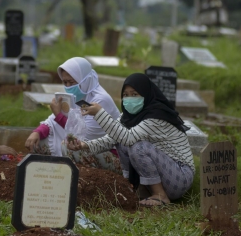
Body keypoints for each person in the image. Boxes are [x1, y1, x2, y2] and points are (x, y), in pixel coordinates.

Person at [67, 73, 195, 207]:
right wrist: (83, 145)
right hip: (165, 173)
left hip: (180, 177)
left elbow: (128, 138)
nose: (129, 99)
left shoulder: (156, 116)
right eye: (126, 95)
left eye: (135, 95)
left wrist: (99, 114)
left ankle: (161, 195)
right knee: (121, 140)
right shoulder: (128, 117)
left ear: (146, 94)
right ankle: (132, 187)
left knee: (137, 147)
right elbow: (111, 139)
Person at [24, 57, 121, 171]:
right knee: (38, 141)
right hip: (85, 146)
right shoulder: (77, 97)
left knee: (71, 146)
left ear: (85, 80)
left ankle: (80, 177)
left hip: (110, 153)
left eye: (72, 82)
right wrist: (38, 132)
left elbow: (84, 137)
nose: (68, 87)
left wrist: (59, 116)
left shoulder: (100, 100)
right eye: (65, 82)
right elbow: (53, 120)